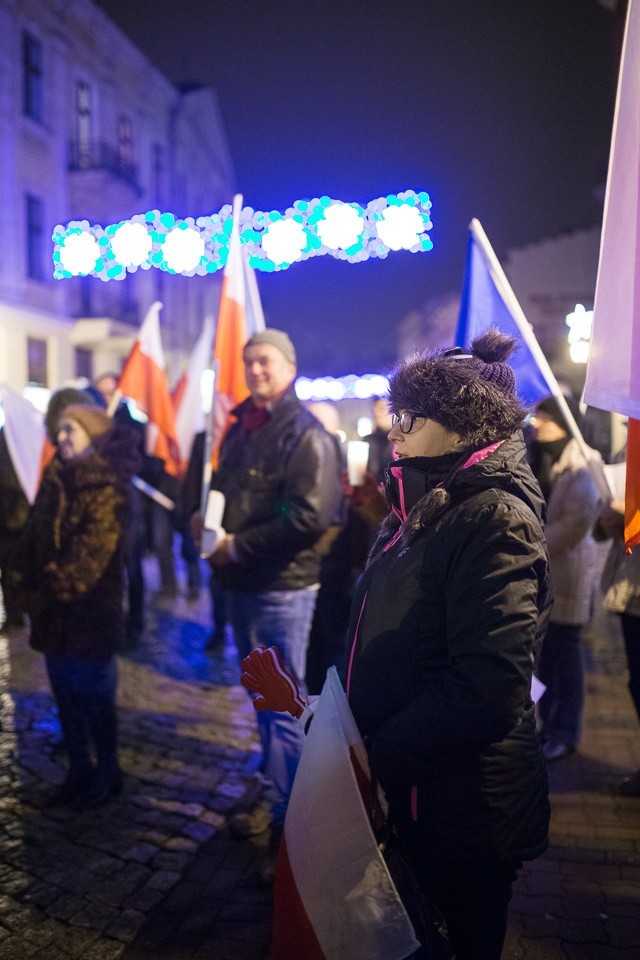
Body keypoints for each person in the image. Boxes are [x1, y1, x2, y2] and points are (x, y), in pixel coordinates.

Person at [242, 330, 552, 960]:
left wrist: (372, 760)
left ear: (462, 425)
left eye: (409, 416)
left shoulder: (494, 516)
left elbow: (488, 689)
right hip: (417, 796)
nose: (393, 428)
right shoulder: (423, 503)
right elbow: (387, 644)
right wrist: (314, 712)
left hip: (466, 811)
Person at [198, 328, 342, 837]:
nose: (256, 369)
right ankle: (278, 797)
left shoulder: (305, 433)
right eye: (249, 361)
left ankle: (293, 833)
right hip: (243, 584)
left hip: (281, 587)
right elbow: (225, 488)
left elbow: (309, 517)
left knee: (282, 707)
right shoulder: (242, 426)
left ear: (289, 367)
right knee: (266, 703)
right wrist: (208, 522)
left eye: (266, 361)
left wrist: (234, 546)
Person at [11, 405, 139, 807]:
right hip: (53, 616)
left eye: (71, 429)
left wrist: (39, 591)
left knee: (95, 700)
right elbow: (30, 540)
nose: (61, 436)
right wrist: (21, 582)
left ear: (93, 436)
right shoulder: (54, 479)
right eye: (60, 430)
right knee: (65, 698)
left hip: (89, 616)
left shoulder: (107, 488)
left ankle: (108, 772)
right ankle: (79, 770)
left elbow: (90, 560)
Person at [529, 395, 601, 762]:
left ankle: (566, 732)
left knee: (566, 660)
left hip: (567, 575)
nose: (537, 422)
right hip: (547, 576)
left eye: (544, 417)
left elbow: (575, 523)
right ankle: (548, 727)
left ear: (563, 422)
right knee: (547, 660)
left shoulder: (583, 465)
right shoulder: (541, 457)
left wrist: (529, 544)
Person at [305, 402, 373, 694]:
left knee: (334, 643)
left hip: (337, 567)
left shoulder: (346, 465)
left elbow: (358, 518)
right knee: (313, 645)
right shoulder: (304, 459)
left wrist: (357, 561)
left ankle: (331, 705)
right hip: (309, 567)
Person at [94, 373, 146, 645]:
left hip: (127, 507)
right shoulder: (91, 425)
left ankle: (135, 623)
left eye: (110, 392)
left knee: (132, 567)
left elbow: (138, 461)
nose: (106, 398)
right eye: (100, 392)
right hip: (100, 509)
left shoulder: (130, 425)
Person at [595, 487, 640, 796]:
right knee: (637, 683)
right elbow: (601, 531)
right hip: (631, 594)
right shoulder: (632, 455)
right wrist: (606, 522)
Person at [367, 395, 395, 483]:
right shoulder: (369, 441)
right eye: (374, 410)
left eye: (382, 409)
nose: (377, 414)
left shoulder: (401, 441)